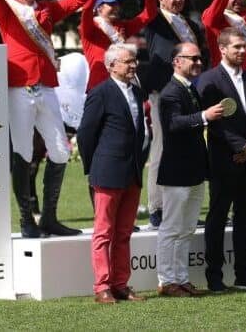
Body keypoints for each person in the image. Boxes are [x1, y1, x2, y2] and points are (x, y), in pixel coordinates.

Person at [0, 0, 89, 237]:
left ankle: (49, 218)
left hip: (46, 86)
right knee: (23, 151)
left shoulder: (47, 9)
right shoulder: (7, 9)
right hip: (18, 87)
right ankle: (26, 219)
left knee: (60, 150)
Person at [196, 28, 246, 291]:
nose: (242, 51)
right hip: (224, 159)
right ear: (222, 48)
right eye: (236, 47)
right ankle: (214, 277)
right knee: (217, 217)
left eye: (244, 47)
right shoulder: (209, 80)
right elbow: (214, 123)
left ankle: (244, 275)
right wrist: (241, 146)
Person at [77, 44, 148, 304]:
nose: (134, 65)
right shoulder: (100, 93)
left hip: (132, 171)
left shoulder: (138, 92)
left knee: (124, 232)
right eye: (128, 62)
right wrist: (93, 166)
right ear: (111, 66)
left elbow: (140, 132)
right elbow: (86, 134)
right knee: (104, 232)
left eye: (134, 61)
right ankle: (102, 286)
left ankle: (120, 284)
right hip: (107, 170)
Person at [155, 42, 223, 297]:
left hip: (194, 170)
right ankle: (166, 280)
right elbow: (173, 124)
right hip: (176, 171)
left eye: (199, 59)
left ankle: (180, 278)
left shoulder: (191, 90)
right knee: (172, 228)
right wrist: (205, 116)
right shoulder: (170, 92)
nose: (198, 63)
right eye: (192, 59)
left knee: (186, 229)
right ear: (177, 61)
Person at [141, 0, 208, 228]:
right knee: (160, 148)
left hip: (189, 91)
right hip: (164, 92)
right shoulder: (155, 20)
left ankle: (187, 205)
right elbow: (146, 3)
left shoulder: (190, 24)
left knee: (191, 146)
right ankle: (156, 207)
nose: (178, 0)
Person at [80, 0, 158, 92]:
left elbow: (149, 13)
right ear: (99, 8)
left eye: (117, 3)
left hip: (124, 83)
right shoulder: (89, 27)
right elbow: (86, 8)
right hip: (100, 86)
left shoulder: (122, 26)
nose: (116, 7)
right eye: (111, 4)